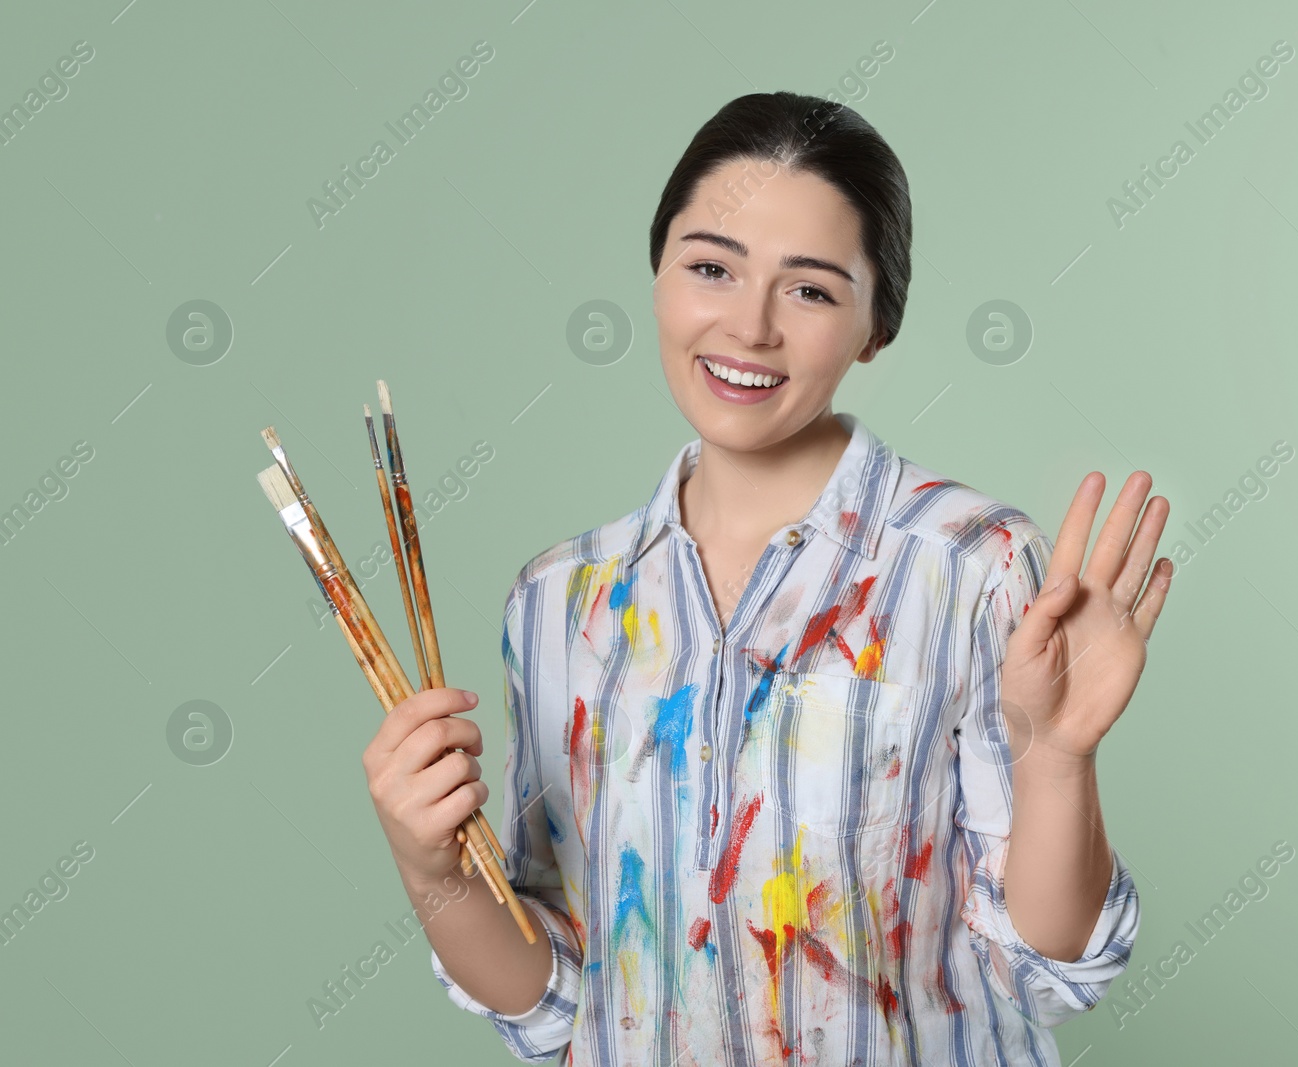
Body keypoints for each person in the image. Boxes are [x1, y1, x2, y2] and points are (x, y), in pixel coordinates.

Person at [362, 90, 1174, 1064]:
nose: (747, 325)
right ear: (658, 273)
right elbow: (553, 996)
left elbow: (1046, 966)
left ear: (877, 323)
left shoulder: (970, 563)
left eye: (811, 289)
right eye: (710, 267)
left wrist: (1058, 760)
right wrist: (431, 869)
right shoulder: (558, 600)